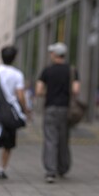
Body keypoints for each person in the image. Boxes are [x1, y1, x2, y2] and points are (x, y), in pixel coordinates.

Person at [0, 46, 29, 183]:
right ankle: (2, 169)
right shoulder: (17, 74)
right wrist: (25, 109)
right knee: (8, 143)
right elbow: (20, 95)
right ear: (14, 58)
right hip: (10, 112)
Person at [35, 42, 80, 184]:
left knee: (50, 139)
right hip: (65, 109)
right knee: (63, 139)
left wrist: (49, 93)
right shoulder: (72, 70)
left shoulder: (47, 71)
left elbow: (38, 90)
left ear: (54, 54)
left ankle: (50, 172)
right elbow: (75, 90)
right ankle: (63, 168)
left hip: (50, 108)